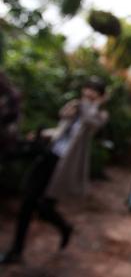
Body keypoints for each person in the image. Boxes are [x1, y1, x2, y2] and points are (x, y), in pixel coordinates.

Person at [0, 77, 109, 264]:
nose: (88, 92)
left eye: (94, 90)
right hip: (49, 156)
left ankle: (64, 227)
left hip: (64, 166)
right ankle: (16, 251)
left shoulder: (100, 114)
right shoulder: (76, 106)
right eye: (88, 88)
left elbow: (91, 122)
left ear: (100, 96)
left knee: (44, 207)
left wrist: (95, 104)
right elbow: (62, 129)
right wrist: (43, 134)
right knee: (28, 202)